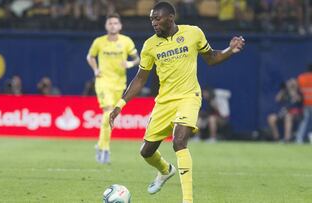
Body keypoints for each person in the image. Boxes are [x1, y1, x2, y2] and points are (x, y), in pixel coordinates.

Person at [109, 2, 245, 203]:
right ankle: (165, 170)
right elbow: (139, 79)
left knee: (179, 141)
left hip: (189, 96)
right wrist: (120, 105)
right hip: (164, 102)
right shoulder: (150, 45)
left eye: (157, 18)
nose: (154, 23)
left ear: (170, 18)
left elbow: (211, 58)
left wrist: (230, 50)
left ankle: (187, 200)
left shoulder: (193, 33)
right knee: (146, 151)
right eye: (152, 19)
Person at [86, 13, 140, 164]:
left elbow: (137, 59)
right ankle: (105, 149)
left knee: (112, 115)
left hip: (119, 83)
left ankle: (100, 145)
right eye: (110, 23)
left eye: (116, 23)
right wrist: (95, 69)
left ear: (120, 26)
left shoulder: (126, 41)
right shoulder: (99, 42)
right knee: (108, 111)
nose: (113, 26)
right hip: (103, 81)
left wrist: (129, 64)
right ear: (106, 26)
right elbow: (90, 57)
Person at [296, 64, 312, 143]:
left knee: (303, 121)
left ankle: (299, 139)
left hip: (305, 103)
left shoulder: (301, 77)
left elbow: (298, 90)